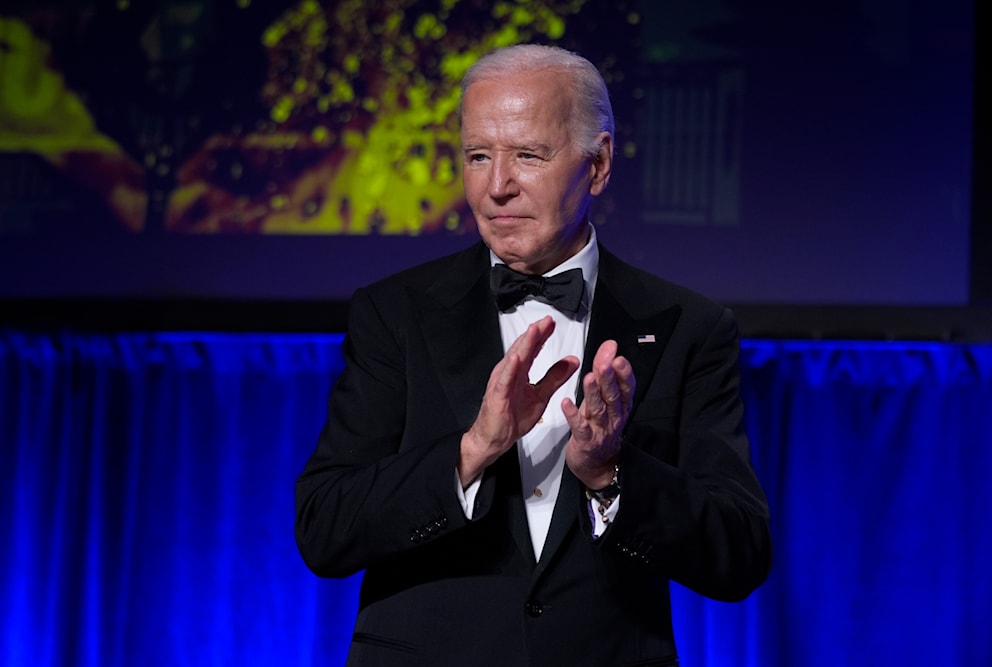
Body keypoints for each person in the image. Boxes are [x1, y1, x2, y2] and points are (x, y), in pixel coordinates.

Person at [295, 43, 771, 666]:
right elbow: (324, 528)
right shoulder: (394, 314)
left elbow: (738, 554)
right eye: (478, 156)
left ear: (597, 165)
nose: (497, 187)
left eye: (527, 154)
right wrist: (472, 451)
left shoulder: (688, 328)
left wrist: (610, 474)